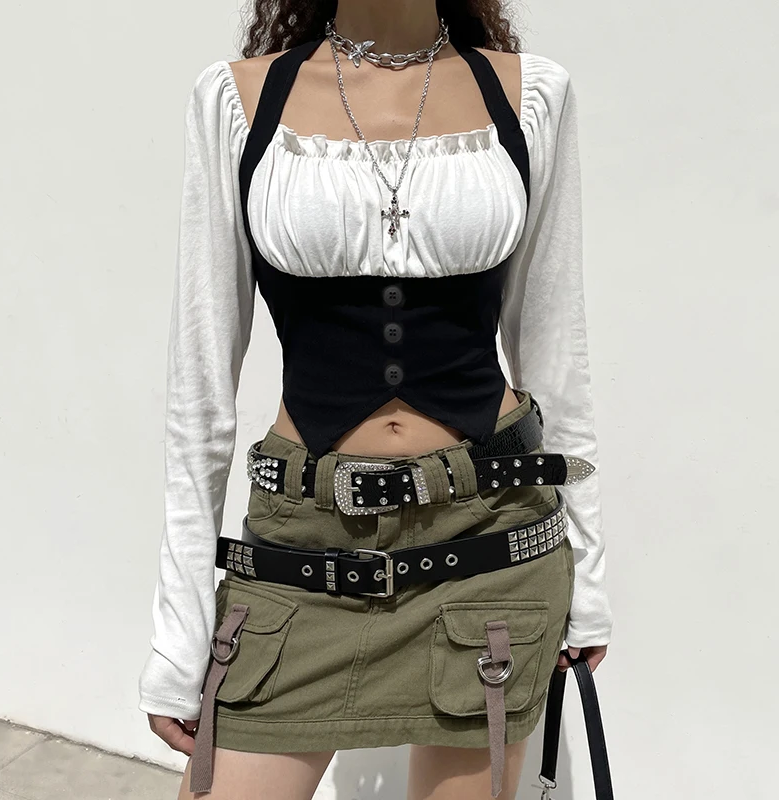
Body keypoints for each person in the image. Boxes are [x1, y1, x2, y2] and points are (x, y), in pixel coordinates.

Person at [138, 2, 613, 798]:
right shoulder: (239, 100)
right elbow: (200, 391)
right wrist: (180, 628)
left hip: (491, 542)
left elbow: (556, 354)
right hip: (304, 546)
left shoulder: (529, 96)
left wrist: (589, 579)